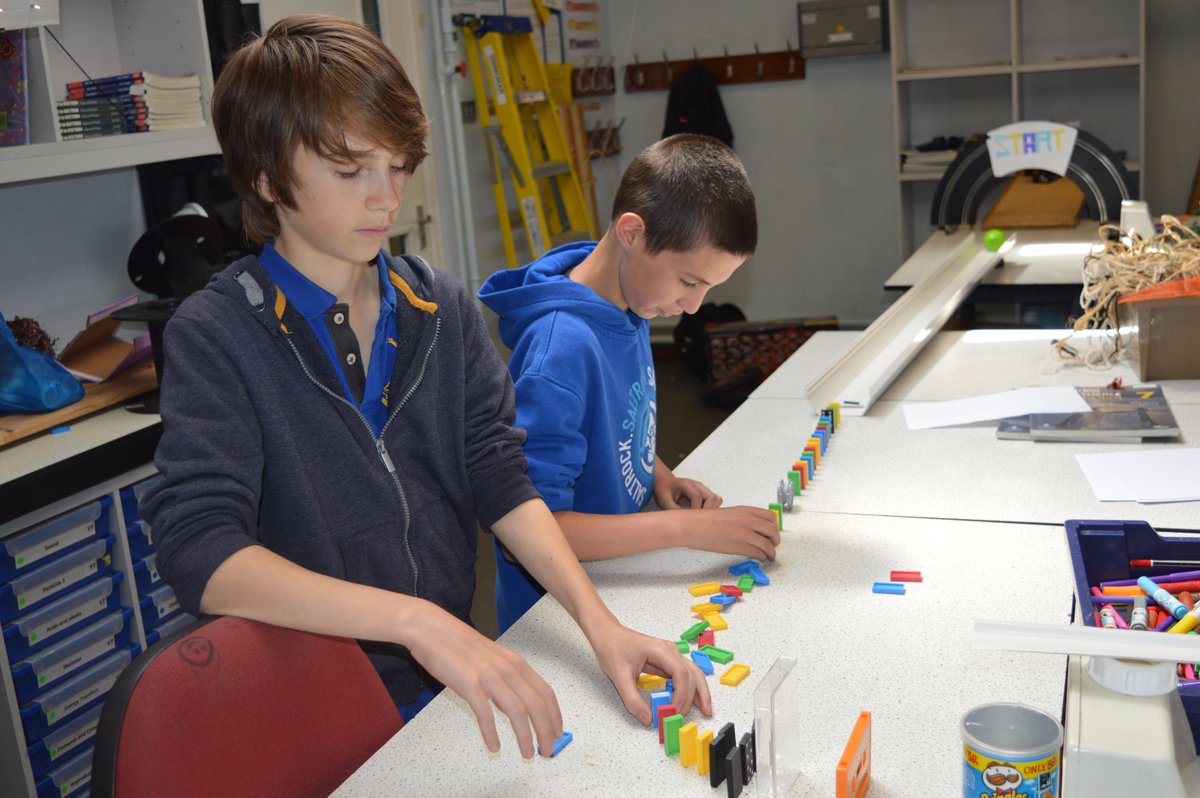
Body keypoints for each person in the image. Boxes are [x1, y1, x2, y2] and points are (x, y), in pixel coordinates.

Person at [140, 14, 709, 760]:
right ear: (266, 176)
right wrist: (416, 621)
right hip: (311, 698)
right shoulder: (217, 336)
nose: (386, 199)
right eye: (351, 170)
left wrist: (601, 627)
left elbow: (503, 481)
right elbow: (202, 552)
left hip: (439, 687)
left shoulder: (439, 308)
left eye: (399, 166)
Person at [478, 134, 781, 633]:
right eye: (688, 281)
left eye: (709, 288)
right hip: (558, 618)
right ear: (632, 232)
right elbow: (530, 532)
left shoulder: (630, 301)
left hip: (618, 581)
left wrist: (657, 473)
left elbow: (611, 418)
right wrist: (685, 528)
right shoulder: (562, 349)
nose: (693, 306)